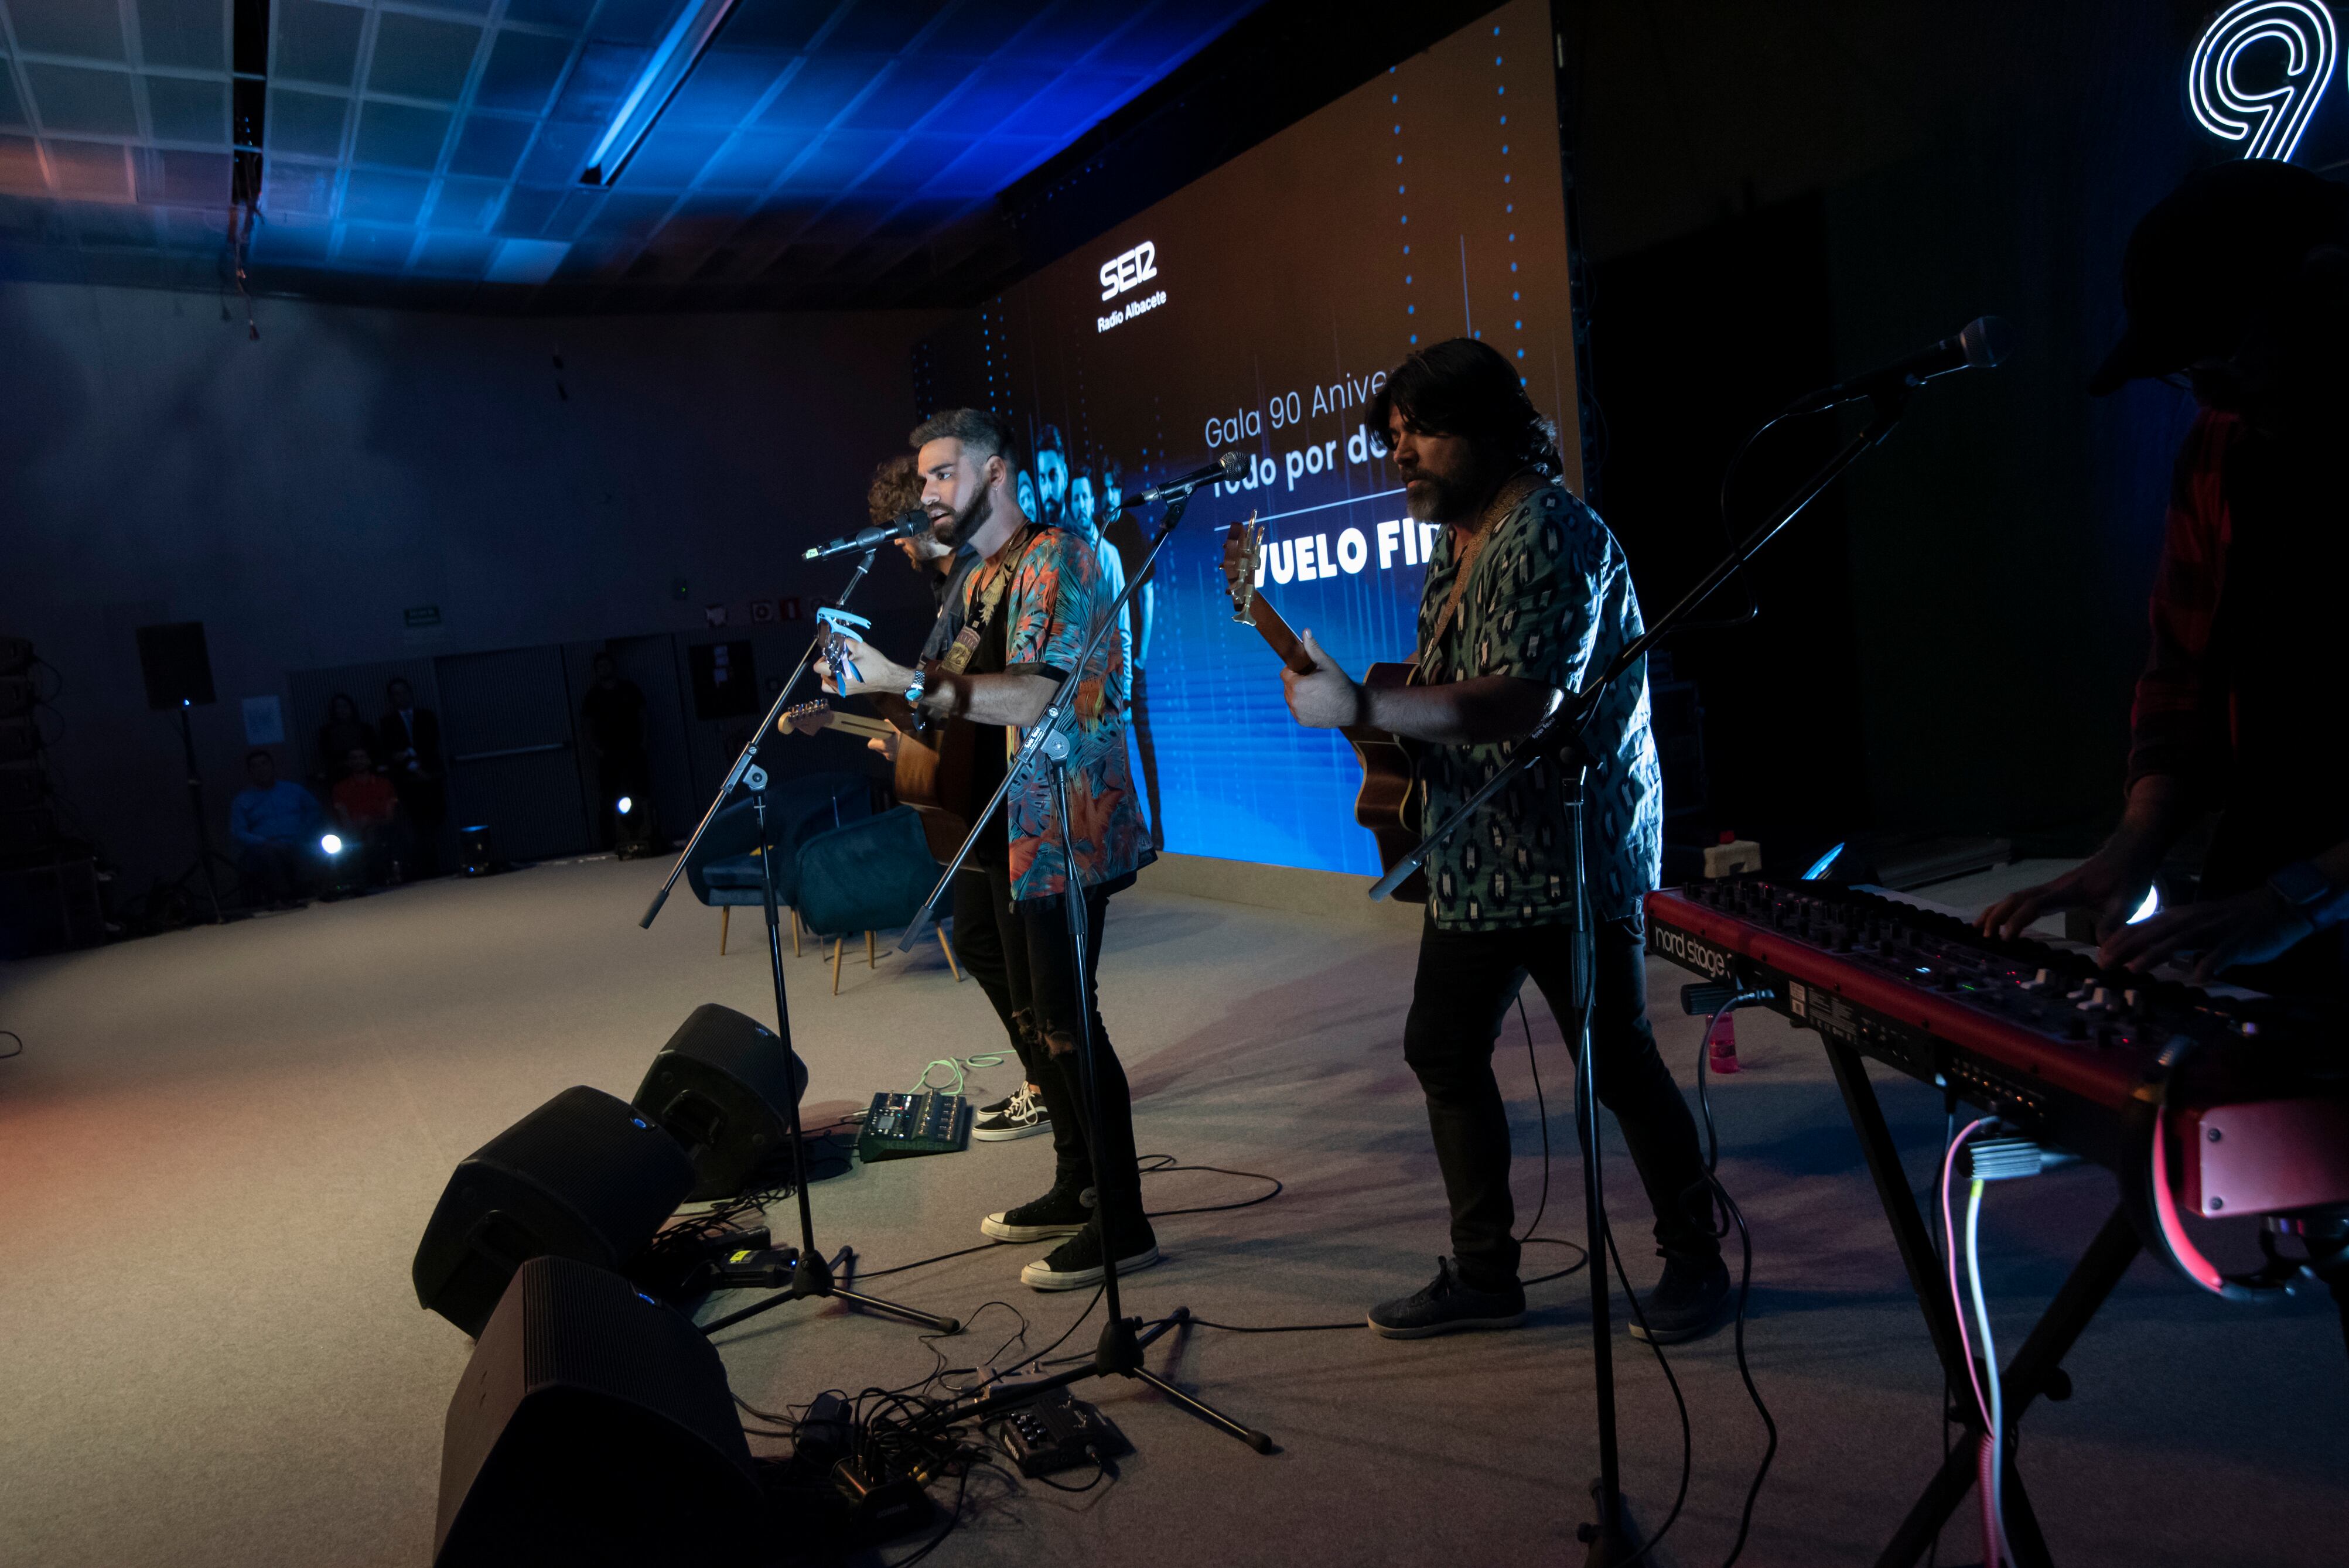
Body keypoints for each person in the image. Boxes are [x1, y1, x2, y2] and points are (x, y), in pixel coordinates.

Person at [1279, 337, 1727, 1341]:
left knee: (1615, 1059)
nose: (1404, 455)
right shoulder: (1462, 535)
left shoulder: (1548, 532)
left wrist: (1362, 700)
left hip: (1571, 854)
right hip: (1479, 851)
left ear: (1490, 427)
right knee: (1441, 1044)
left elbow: (1522, 700)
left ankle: (1697, 1255)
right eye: (1395, 436)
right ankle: (1486, 1272)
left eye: (1423, 432)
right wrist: (1363, 704)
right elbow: (1440, 689)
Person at [1982, 160, 2349, 992]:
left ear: (2325, 291)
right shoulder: (2220, 448)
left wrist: (2299, 899)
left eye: (2224, 361)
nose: (2210, 397)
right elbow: (2181, 676)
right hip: (2271, 886)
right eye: (2193, 376)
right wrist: (2132, 844)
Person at [822, 406, 1157, 1290]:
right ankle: (1076, 1179)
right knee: (985, 950)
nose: (927, 492)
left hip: (1063, 823)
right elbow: (953, 696)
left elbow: (1034, 700)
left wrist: (903, 680)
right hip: (998, 823)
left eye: (941, 473)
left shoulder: (1060, 559)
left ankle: (1123, 1219)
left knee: (1067, 1020)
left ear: (995, 474)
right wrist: (887, 701)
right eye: (924, 477)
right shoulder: (975, 578)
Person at [868, 450, 1047, 1143]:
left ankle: (1050, 1084)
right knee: (980, 939)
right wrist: (903, 717)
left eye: (908, 522)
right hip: (978, 792)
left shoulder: (1005, 571)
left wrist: (910, 704)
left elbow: (1011, 687)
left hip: (1017, 794)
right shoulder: (960, 587)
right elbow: (941, 688)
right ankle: (1044, 1077)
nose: (902, 539)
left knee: (1031, 966)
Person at [1100, 463, 1165, 847]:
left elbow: (1148, 591)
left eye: (1112, 489)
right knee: (1117, 745)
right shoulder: (1097, 531)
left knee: (1143, 737)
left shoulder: (1129, 529)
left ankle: (1157, 824)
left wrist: (1141, 653)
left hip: (1131, 654)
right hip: (1106, 659)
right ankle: (1133, 826)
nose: (1106, 497)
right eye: (1101, 489)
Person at [230, 749, 327, 908]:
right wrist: (263, 841)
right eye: (255, 766)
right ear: (250, 772)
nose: (261, 769)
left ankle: (309, 891)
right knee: (269, 854)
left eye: (265, 764)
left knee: (310, 846)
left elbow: (314, 810)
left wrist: (304, 831)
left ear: (272, 766)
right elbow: (238, 832)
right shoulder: (242, 800)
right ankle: (282, 897)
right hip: (264, 845)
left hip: (296, 839)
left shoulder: (294, 790)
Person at [580, 653, 649, 849]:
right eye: (600, 667)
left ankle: (646, 832)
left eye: (606, 665)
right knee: (609, 796)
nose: (604, 669)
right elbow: (587, 725)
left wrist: (644, 741)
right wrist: (596, 749)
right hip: (609, 753)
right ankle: (611, 840)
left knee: (640, 791)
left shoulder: (629, 690)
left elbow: (643, 714)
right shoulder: (594, 696)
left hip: (633, 748)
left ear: (613, 667)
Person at [380, 678, 446, 876]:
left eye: (403, 692)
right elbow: (392, 750)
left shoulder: (426, 716)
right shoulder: (388, 722)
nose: (400, 697)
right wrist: (412, 763)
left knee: (434, 821)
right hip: (408, 780)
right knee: (416, 824)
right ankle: (424, 869)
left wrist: (409, 754)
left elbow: (429, 743)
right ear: (391, 699)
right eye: (396, 694)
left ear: (411, 693)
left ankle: (436, 865)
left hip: (431, 775)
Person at [330, 746, 409, 884]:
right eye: (354, 758)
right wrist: (358, 826)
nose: (358, 761)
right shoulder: (340, 788)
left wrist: (370, 822)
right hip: (353, 831)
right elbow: (344, 819)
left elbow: (389, 816)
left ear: (369, 761)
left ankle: (388, 876)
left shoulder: (384, 784)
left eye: (362, 757)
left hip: (381, 828)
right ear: (348, 763)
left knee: (378, 835)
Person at [315, 693, 377, 783]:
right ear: (334, 710)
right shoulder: (326, 732)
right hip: (340, 773)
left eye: (345, 706)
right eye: (339, 707)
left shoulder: (366, 728)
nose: (342, 710)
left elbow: (374, 749)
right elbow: (326, 754)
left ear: (352, 708)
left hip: (366, 772)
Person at [1032, 422, 1069, 526]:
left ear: (1065, 476)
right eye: (1043, 479)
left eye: (1053, 477)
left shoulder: (1083, 539)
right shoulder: (1035, 538)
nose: (1048, 490)